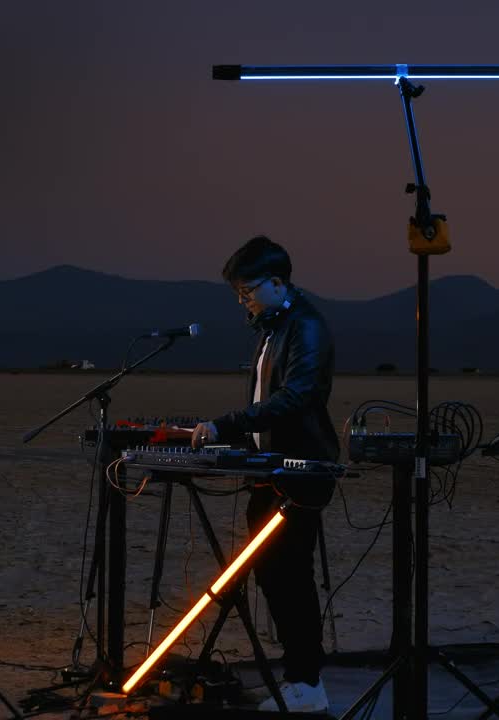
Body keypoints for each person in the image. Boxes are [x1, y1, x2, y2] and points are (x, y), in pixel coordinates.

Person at [191, 235, 339, 713]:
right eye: (238, 293)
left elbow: (296, 397)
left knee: (291, 575)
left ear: (278, 282)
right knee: (272, 576)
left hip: (298, 475)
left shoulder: (306, 327)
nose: (244, 299)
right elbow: (264, 399)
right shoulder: (272, 327)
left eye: (248, 289)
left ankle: (308, 684)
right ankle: (298, 679)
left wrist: (229, 423)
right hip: (269, 472)